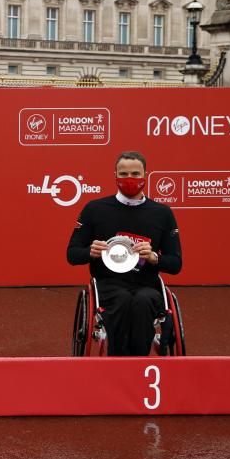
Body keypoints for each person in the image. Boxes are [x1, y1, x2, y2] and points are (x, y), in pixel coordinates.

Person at [66, 151, 182, 356]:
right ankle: (118, 361)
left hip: (147, 284)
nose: (130, 179)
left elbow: (175, 264)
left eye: (136, 174)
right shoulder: (95, 209)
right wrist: (91, 252)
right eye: (124, 174)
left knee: (143, 301)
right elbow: (73, 254)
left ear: (146, 175)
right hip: (109, 284)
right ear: (115, 176)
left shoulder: (162, 213)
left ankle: (139, 361)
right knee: (121, 300)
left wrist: (155, 258)